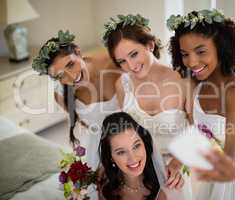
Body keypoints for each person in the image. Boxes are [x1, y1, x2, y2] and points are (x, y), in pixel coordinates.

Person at [168, 9, 235, 200]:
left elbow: (234, 148)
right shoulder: (196, 81)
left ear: (221, 47)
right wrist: (177, 162)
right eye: (185, 54)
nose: (192, 62)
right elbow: (200, 130)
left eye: (201, 51)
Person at [102, 14, 193, 199]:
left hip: (175, 169)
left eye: (134, 54)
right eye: (122, 61)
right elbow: (122, 130)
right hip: (139, 169)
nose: (131, 65)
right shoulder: (122, 84)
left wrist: (177, 163)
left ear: (150, 45)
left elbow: (198, 129)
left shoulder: (183, 80)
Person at [32, 30, 122, 199]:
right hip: (99, 146)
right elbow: (87, 123)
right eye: (60, 76)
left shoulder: (114, 61)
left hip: (132, 140)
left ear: (78, 52)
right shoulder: (62, 95)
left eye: (71, 65)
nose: (71, 77)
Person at [99, 112, 167, 200]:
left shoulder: (165, 183)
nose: (133, 158)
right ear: (111, 157)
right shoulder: (105, 191)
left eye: (136, 146)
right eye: (121, 152)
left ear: (144, 143)